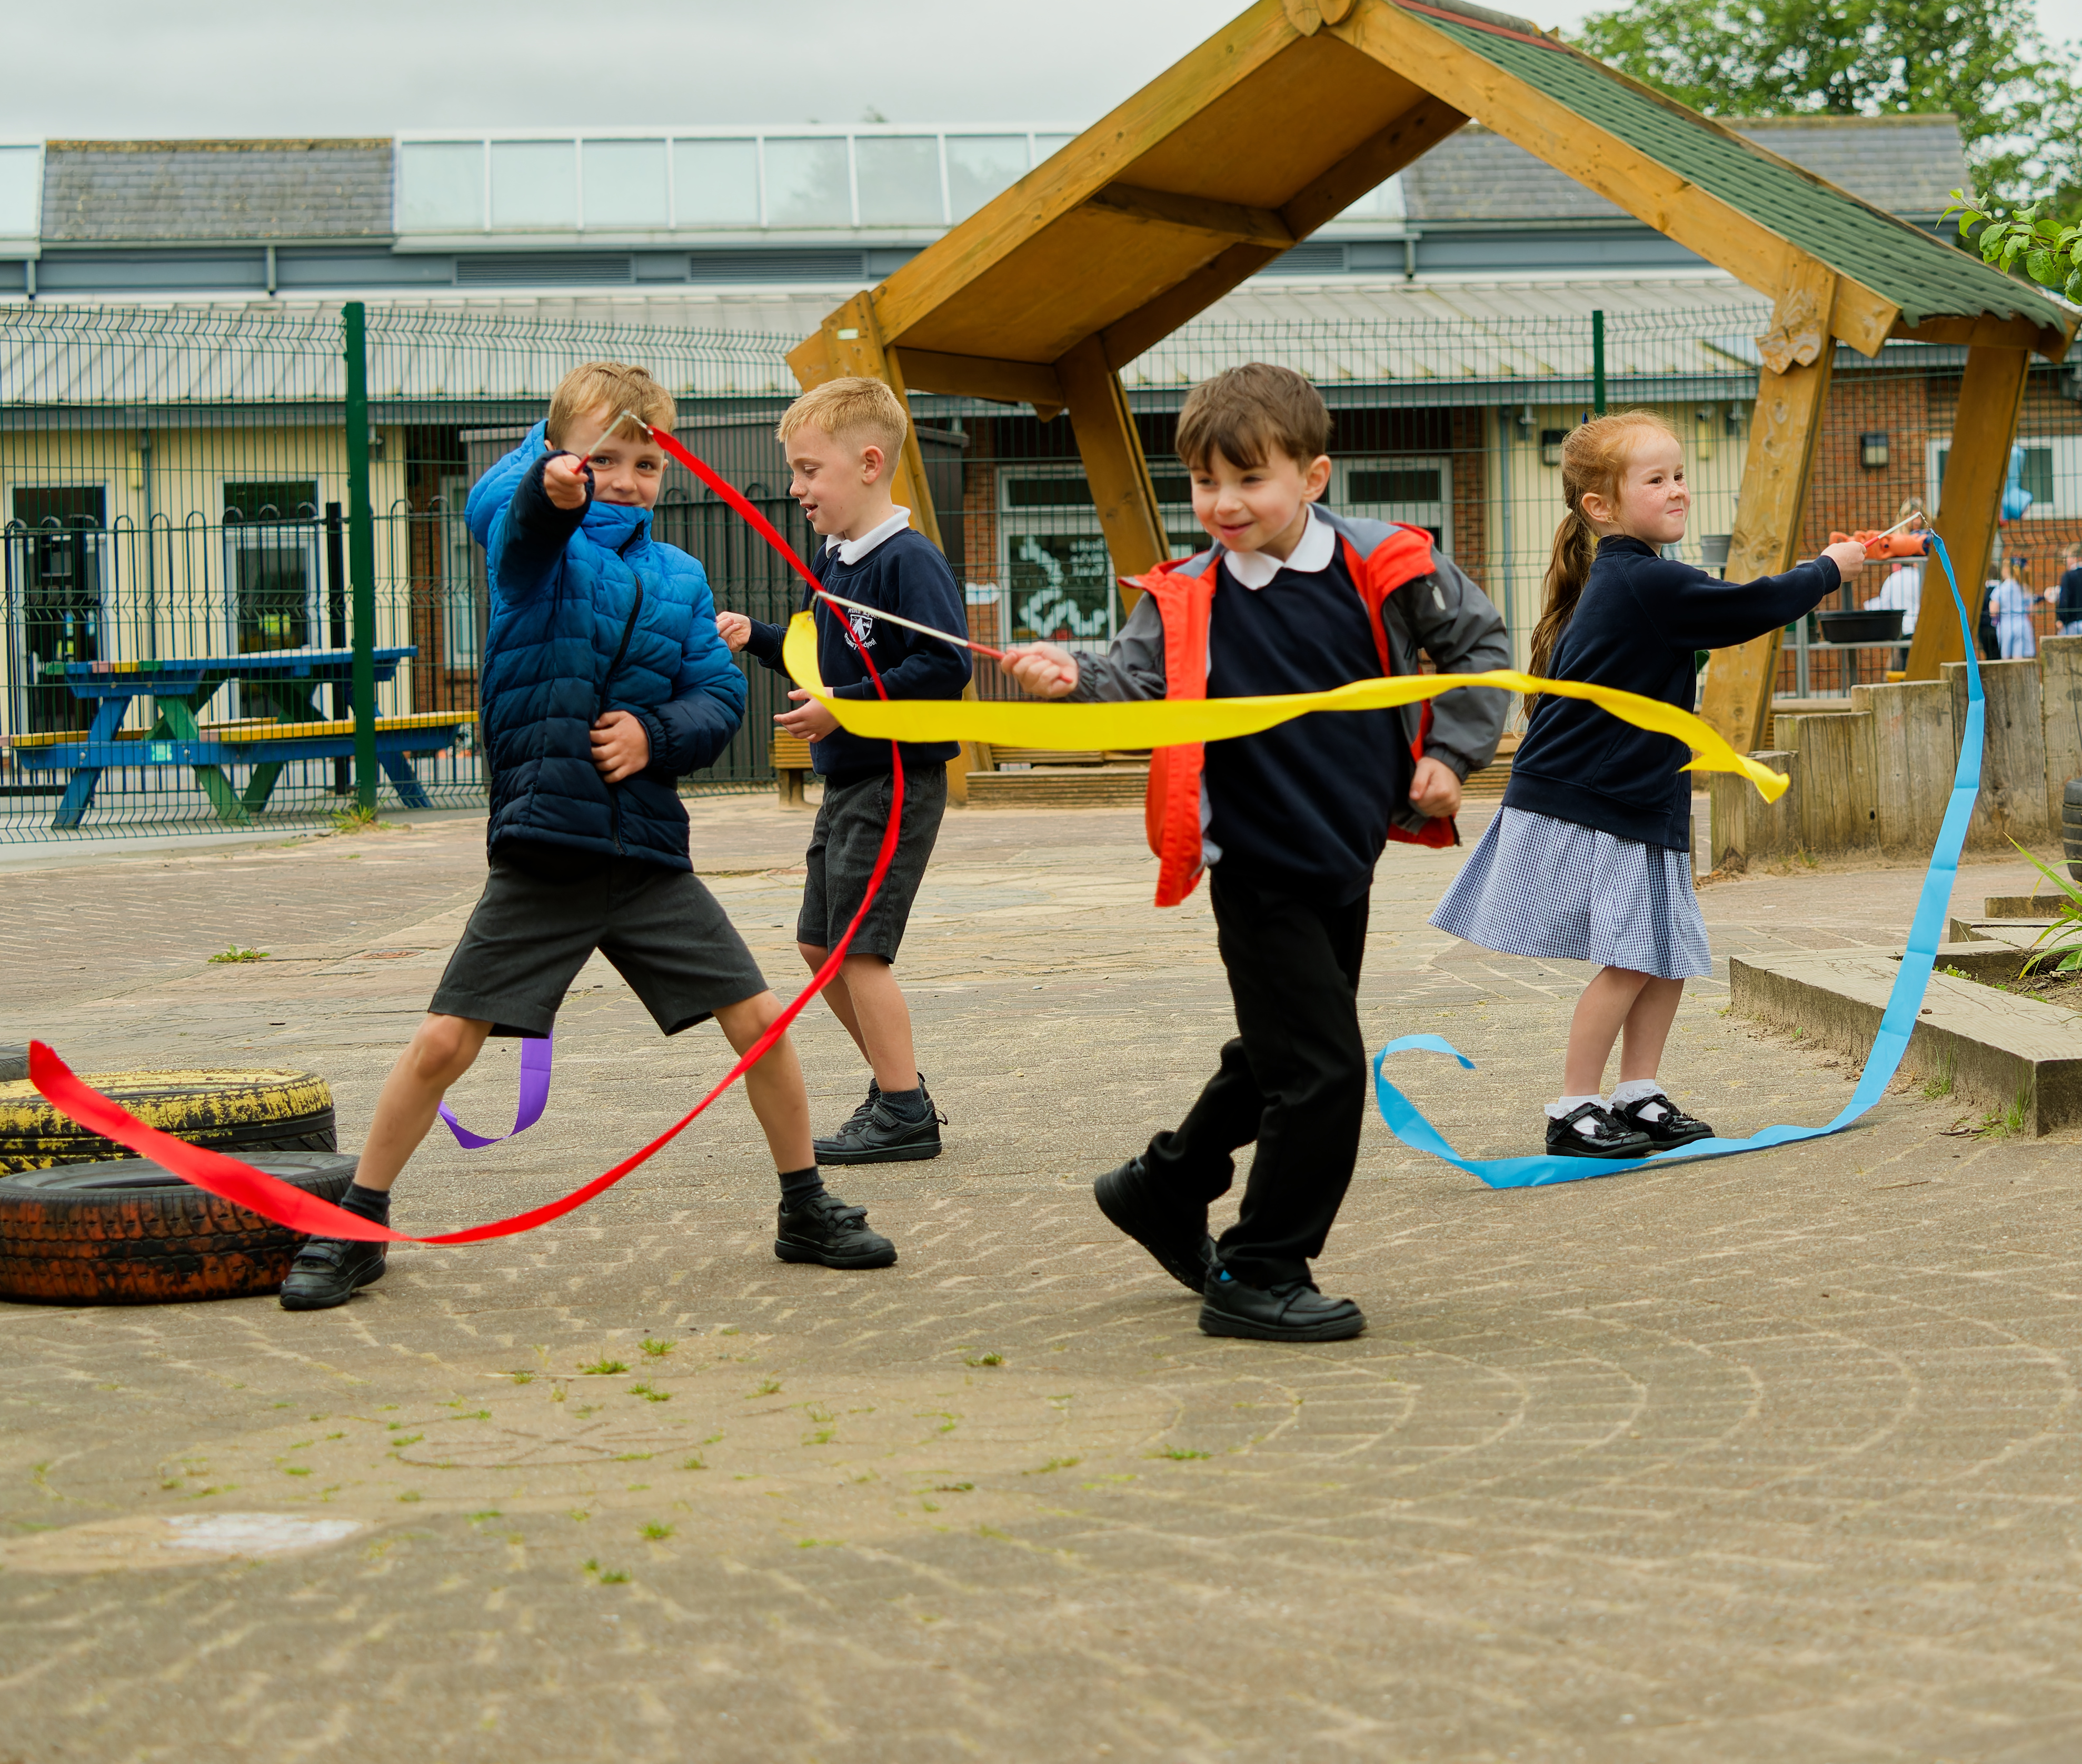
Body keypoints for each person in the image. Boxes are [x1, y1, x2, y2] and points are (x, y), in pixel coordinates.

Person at [276, 363, 894, 1311]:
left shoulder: (680, 575)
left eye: (647, 463)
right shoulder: (535, 548)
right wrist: (549, 485)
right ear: (563, 454)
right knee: (444, 1042)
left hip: (646, 857)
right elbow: (515, 518)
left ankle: (803, 1206)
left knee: (761, 1024)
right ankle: (358, 1223)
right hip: (548, 847)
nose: (628, 480)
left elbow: (717, 693)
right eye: (605, 459)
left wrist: (656, 734)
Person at [1001, 363, 1510, 1343]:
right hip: (1254, 862)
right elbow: (1130, 682)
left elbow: (1481, 649)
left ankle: (1164, 1185)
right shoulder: (1185, 594)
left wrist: (1450, 752)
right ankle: (1260, 1267)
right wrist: (1069, 676)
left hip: (1343, 855)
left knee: (1281, 1049)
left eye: (1248, 480)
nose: (1223, 504)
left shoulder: (1388, 562)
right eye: (1204, 483)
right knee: (1322, 1071)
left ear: (1312, 477)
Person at [1430, 412, 1866, 1159]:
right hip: (1596, 797)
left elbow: (1724, 611)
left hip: (1643, 795)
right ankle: (1574, 1108)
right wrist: (1828, 568)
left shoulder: (1645, 578)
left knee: (1667, 952)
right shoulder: (1644, 579)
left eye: (1680, 475)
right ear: (1600, 506)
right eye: (1656, 479)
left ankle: (1639, 1093)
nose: (1678, 490)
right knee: (1635, 956)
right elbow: (1749, 607)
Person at [718, 377, 970, 1165]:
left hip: (897, 781)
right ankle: (900, 1089)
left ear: (868, 464)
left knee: (859, 950)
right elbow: (817, 655)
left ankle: (904, 1111)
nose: (796, 490)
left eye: (808, 471)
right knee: (818, 946)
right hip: (849, 780)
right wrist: (757, 637)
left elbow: (946, 665)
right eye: (793, 473)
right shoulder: (833, 561)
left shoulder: (908, 560)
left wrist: (846, 707)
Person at [1872, 500, 1930, 637]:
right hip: (1903, 582)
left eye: (1918, 516)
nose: (1916, 521)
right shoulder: (1897, 538)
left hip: (1920, 581)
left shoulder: (1926, 536)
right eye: (1912, 516)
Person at [1991, 554, 2038, 661]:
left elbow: (1993, 611)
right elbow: (2032, 609)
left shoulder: (2001, 589)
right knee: (2020, 659)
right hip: (2023, 624)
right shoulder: (2025, 588)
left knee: (2006, 659)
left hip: (2006, 624)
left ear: (2006, 570)